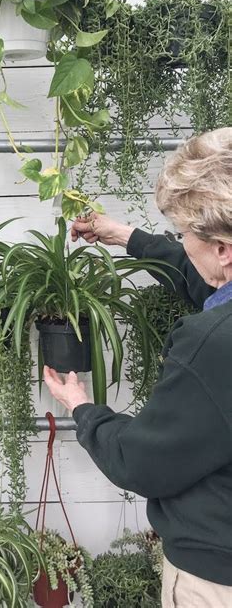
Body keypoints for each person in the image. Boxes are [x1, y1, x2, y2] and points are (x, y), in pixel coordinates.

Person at [43, 127, 232, 607]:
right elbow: (212, 286)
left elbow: (142, 461)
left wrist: (84, 409)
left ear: (222, 248)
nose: (182, 242)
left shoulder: (211, 346)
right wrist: (127, 237)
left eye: (184, 233)